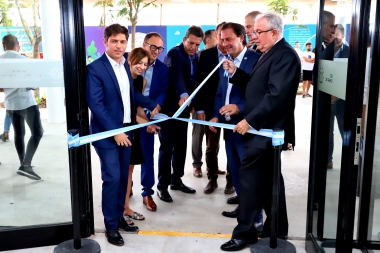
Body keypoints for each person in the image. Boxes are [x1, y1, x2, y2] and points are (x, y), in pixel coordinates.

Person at [220, 12, 300, 251]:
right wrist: (237, 73)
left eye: (258, 32)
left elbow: (276, 96)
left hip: (265, 131)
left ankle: (244, 233)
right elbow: (259, 85)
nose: (254, 36)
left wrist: (249, 121)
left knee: (250, 182)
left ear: (273, 33)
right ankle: (276, 228)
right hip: (263, 130)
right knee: (271, 183)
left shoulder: (284, 55)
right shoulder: (270, 53)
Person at [86, 23, 160, 246]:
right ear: (105, 42)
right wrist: (116, 131)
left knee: (122, 181)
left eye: (122, 41)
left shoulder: (125, 66)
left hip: (127, 131)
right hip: (107, 134)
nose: (119, 46)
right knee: (112, 178)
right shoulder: (95, 69)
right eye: (114, 41)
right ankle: (110, 226)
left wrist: (152, 104)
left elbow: (131, 97)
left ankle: (119, 217)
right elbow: (97, 105)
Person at [209, 22, 260, 218]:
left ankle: (254, 217)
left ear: (241, 37)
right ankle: (243, 207)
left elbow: (261, 94)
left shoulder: (255, 60)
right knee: (236, 170)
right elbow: (220, 92)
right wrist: (215, 114)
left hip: (246, 126)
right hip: (228, 126)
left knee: (249, 173)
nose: (224, 43)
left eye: (228, 39)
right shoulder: (226, 60)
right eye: (221, 40)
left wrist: (240, 107)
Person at [157, 25, 204, 203]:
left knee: (181, 145)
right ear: (184, 39)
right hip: (170, 108)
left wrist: (193, 103)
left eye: (197, 44)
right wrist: (183, 94)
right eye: (191, 43)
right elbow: (177, 76)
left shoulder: (195, 57)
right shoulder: (175, 54)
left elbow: (196, 81)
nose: (193, 47)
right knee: (167, 147)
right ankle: (162, 186)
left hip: (184, 108)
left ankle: (176, 180)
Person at [1, 34, 43, 181]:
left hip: (11, 104)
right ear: (17, 44)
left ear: (3, 44)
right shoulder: (23, 60)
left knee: (19, 134)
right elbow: (32, 84)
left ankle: (23, 163)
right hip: (26, 103)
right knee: (37, 132)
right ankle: (26, 165)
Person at [192, 23, 227, 185]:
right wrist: (199, 107)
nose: (223, 39)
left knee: (231, 145)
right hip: (210, 107)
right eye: (220, 35)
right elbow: (199, 83)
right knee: (210, 143)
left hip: (233, 108)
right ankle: (211, 177)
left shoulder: (237, 54)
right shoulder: (205, 55)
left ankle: (230, 180)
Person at [122, 48, 153, 225]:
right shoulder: (122, 78)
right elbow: (124, 111)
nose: (142, 67)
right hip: (120, 129)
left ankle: (126, 208)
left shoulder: (142, 81)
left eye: (145, 64)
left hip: (133, 130)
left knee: (130, 170)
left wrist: (148, 121)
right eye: (139, 62)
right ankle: (121, 209)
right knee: (121, 171)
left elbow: (137, 106)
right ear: (130, 60)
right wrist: (144, 122)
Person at [139, 32, 169, 212]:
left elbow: (164, 90)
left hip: (151, 115)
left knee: (147, 154)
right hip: (129, 115)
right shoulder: (130, 61)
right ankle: (126, 187)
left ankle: (147, 192)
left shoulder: (163, 69)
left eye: (160, 48)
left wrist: (157, 106)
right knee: (125, 156)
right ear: (144, 45)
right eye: (153, 47)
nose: (156, 51)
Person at [328, 24, 349, 169]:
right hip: (327, 101)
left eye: (337, 34)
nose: (334, 37)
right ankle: (328, 159)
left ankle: (351, 161)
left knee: (346, 130)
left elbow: (353, 77)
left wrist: (339, 93)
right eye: (332, 34)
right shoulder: (324, 52)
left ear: (342, 36)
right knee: (327, 131)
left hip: (344, 101)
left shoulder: (350, 52)